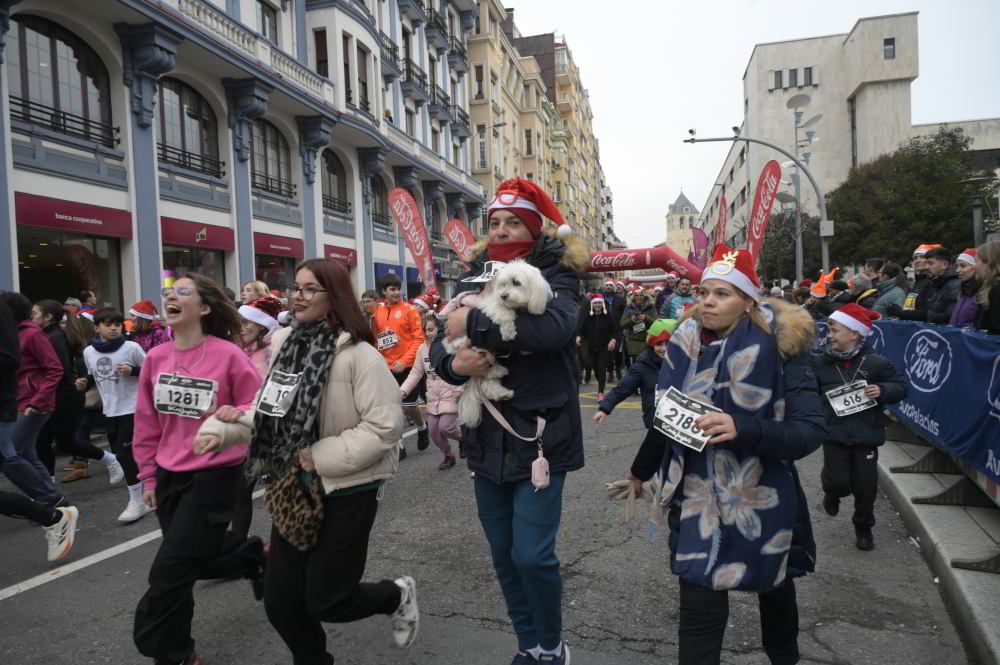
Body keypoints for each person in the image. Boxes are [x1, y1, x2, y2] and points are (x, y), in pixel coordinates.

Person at [194, 259, 417, 665]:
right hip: (292, 489)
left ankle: (395, 595)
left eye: (310, 289)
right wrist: (226, 429)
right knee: (281, 603)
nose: (298, 296)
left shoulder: (360, 355)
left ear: (334, 296)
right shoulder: (284, 343)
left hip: (348, 488)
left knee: (328, 600)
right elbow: (269, 411)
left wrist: (317, 456)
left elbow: (384, 428)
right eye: (295, 287)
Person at [627, 245, 826, 665]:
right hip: (695, 500)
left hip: (762, 500)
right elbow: (667, 420)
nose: (708, 302)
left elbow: (809, 431)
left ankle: (784, 657)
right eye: (704, 292)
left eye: (722, 294)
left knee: (775, 592)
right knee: (698, 605)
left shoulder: (783, 347)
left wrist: (744, 428)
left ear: (748, 300)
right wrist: (638, 473)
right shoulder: (682, 344)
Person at [431, 177, 587, 665]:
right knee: (503, 554)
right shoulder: (472, 275)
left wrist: (473, 324)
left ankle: (553, 644)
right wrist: (454, 365)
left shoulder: (559, 272)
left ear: (535, 228)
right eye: (494, 222)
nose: (500, 230)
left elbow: (555, 328)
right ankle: (530, 644)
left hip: (540, 435)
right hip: (484, 436)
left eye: (513, 222)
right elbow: (439, 342)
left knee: (532, 555)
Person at [132, 274, 267, 665]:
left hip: (215, 474)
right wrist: (148, 476)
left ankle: (171, 654)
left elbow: (259, 404)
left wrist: (237, 412)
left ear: (205, 307)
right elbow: (147, 422)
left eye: (183, 292)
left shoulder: (228, 354)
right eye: (170, 293)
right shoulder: (156, 358)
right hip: (168, 473)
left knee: (169, 571)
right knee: (189, 563)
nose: (171, 297)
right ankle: (252, 555)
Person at [813, 304, 908, 551]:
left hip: (866, 434)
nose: (830, 335)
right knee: (837, 481)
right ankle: (832, 493)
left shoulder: (877, 363)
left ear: (854, 334)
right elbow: (808, 391)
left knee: (866, 488)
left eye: (835, 330)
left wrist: (883, 390)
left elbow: (900, 387)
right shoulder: (820, 363)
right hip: (833, 434)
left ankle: (863, 527)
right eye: (830, 330)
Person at [32, 300, 124, 484]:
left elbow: (58, 370)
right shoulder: (47, 335)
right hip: (51, 395)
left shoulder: (55, 337)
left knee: (65, 442)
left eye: (34, 313)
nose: (31, 317)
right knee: (42, 442)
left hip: (63, 396)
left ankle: (109, 458)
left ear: (48, 317)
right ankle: (47, 488)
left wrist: (41, 394)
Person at [76, 308, 151, 522]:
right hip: (109, 409)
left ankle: (137, 501)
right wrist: (84, 383)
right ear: (96, 328)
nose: (114, 328)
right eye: (108, 324)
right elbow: (93, 375)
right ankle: (150, 493)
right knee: (125, 454)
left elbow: (153, 371)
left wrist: (133, 371)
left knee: (125, 455)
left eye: (117, 324)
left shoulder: (131, 347)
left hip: (134, 407)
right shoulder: (89, 352)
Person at [0, 292, 66, 508]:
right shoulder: (12, 333)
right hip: (19, 400)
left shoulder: (32, 333)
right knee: (27, 454)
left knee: (13, 455)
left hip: (32, 402)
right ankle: (52, 499)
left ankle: (50, 499)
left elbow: (55, 368)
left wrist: (38, 400)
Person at [373, 273, 427, 458]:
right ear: (384, 292)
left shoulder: (409, 310)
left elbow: (419, 339)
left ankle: (422, 426)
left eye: (398, 289)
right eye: (392, 289)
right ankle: (400, 445)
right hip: (386, 367)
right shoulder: (378, 312)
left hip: (407, 365)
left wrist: (404, 360)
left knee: (410, 406)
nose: (396, 292)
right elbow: (376, 339)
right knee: (393, 408)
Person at [399, 315, 464, 469]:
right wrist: (403, 391)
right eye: (425, 330)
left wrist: (459, 391)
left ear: (439, 329)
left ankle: (466, 440)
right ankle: (448, 455)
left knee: (446, 427)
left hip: (451, 392)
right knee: (434, 432)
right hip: (433, 396)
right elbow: (416, 373)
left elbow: (460, 369)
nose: (428, 333)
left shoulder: (450, 345)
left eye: (431, 329)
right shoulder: (422, 350)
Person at [594, 319, 675, 429]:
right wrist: (604, 409)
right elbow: (622, 388)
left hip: (683, 429)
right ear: (651, 345)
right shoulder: (643, 365)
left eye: (668, 344)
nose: (664, 349)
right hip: (656, 425)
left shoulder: (687, 364)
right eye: (659, 344)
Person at [892, 247, 959, 324]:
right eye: (915, 258)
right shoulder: (937, 282)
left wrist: (901, 313)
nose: (927, 267)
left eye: (930, 263)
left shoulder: (950, 285)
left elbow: (947, 317)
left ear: (944, 264)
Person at [576, 294, 617, 400]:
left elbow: (615, 331)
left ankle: (600, 392)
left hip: (605, 347)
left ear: (602, 304)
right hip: (592, 347)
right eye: (595, 303)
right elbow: (581, 329)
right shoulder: (588, 316)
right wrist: (579, 336)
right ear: (592, 304)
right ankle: (601, 384)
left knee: (601, 368)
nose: (597, 305)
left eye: (599, 303)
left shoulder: (608, 315)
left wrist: (613, 340)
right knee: (596, 368)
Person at [238, 296, 282, 377]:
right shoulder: (240, 347)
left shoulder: (272, 350)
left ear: (262, 325)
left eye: (245, 323)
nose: (240, 328)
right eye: (238, 323)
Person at [620, 289, 657, 367]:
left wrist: (646, 318)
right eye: (636, 295)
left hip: (647, 340)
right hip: (634, 340)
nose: (638, 297)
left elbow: (656, 323)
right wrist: (631, 320)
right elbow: (622, 324)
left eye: (641, 295)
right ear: (633, 297)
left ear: (645, 296)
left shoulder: (651, 306)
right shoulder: (629, 307)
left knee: (647, 364)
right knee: (637, 364)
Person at [949, 249, 981, 329]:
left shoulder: (983, 292)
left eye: (963, 266)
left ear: (976, 267)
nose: (957, 270)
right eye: (957, 266)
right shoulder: (964, 289)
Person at [975, 241, 1000, 334]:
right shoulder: (990, 288)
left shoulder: (997, 290)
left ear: (989, 263)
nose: (974, 266)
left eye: (976, 261)